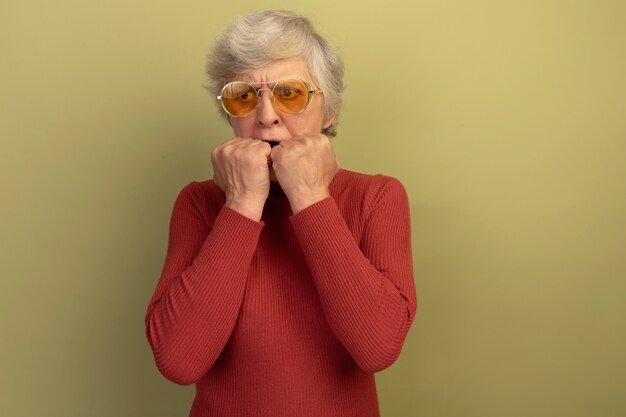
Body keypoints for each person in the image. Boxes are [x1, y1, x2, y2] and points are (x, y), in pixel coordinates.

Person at [144, 10, 417, 417]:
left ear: (329, 111)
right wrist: (241, 204)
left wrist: (309, 195)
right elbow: (179, 362)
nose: (267, 115)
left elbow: (377, 348)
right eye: (244, 96)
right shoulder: (199, 203)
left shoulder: (376, 197)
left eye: (290, 93)